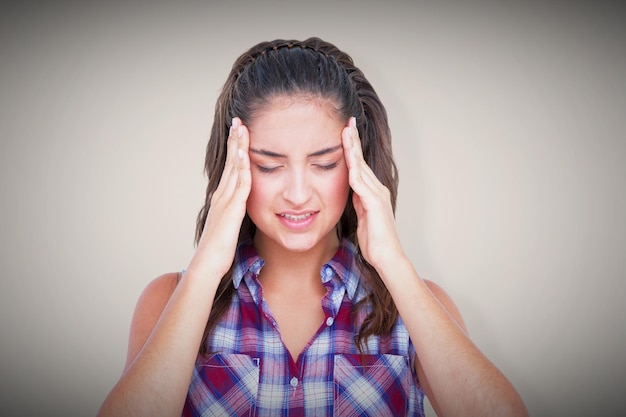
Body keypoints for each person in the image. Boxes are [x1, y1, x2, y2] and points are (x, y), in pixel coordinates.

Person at [97, 37, 529, 417]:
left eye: (324, 164)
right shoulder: (166, 300)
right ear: (234, 165)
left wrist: (393, 263)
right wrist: (208, 265)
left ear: (357, 166)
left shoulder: (418, 307)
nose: (299, 193)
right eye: (270, 165)